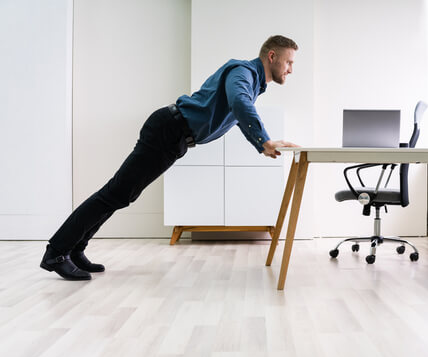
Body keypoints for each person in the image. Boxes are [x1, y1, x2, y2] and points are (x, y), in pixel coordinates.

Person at [40, 35, 300, 281]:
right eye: (289, 62)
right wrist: (263, 141)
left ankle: (74, 249)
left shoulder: (252, 81)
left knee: (120, 194)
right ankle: (56, 253)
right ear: (272, 55)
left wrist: (259, 141)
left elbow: (239, 110)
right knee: (116, 192)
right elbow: (240, 103)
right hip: (169, 130)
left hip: (174, 135)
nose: (290, 69)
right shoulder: (243, 72)